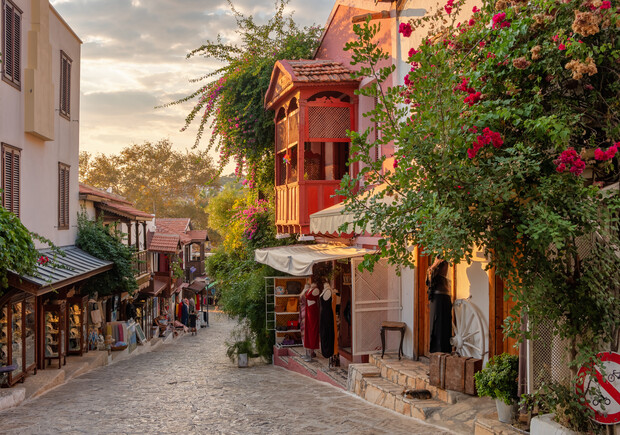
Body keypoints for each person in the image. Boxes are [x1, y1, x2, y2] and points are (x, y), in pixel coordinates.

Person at [426, 258, 453, 353]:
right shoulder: (434, 272)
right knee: (437, 322)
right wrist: (435, 264)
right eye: (444, 268)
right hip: (437, 299)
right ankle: (437, 348)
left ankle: (445, 348)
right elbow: (429, 277)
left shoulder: (444, 279)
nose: (446, 271)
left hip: (445, 299)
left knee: (445, 323)